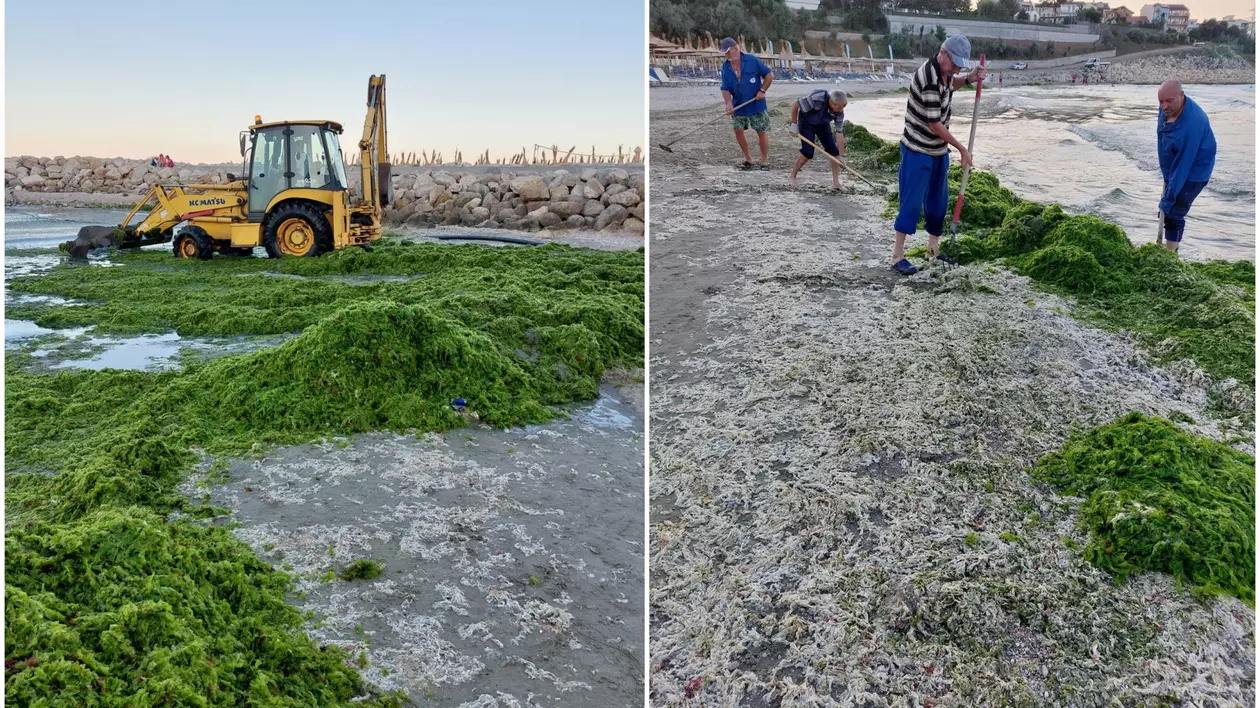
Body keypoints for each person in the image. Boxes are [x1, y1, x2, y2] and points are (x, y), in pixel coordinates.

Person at [890, 34, 986, 275]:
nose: (956, 69)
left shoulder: (946, 72)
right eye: (954, 64)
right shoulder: (928, 76)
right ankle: (897, 256)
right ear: (942, 53)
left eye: (960, 66)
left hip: (937, 150)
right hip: (917, 149)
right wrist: (962, 148)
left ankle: (932, 251)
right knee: (911, 203)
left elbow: (950, 84)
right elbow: (934, 123)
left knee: (938, 203)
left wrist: (970, 78)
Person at [1156, 79, 1216, 254]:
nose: (1164, 106)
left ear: (1181, 96)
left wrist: (1167, 200)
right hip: (1176, 165)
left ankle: (1171, 255)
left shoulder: (1192, 124)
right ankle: (1171, 249)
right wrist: (1166, 174)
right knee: (1166, 209)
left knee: (1174, 211)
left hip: (1195, 171)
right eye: (1161, 101)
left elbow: (1183, 166)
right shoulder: (1165, 109)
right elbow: (1161, 136)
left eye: (1169, 101)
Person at [719, 36, 774, 171]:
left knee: (761, 131)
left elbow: (769, 75)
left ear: (736, 48)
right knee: (738, 131)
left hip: (756, 103)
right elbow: (725, 88)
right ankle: (748, 158)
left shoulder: (752, 60)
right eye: (724, 52)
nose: (726, 55)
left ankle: (764, 160)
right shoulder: (725, 67)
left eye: (728, 51)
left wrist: (762, 90)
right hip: (738, 105)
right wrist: (728, 104)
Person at [787, 89, 848, 189]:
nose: (841, 110)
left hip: (823, 125)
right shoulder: (817, 98)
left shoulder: (839, 113)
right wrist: (794, 124)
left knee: (834, 152)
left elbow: (839, 134)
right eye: (839, 107)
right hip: (806, 123)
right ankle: (793, 176)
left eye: (843, 107)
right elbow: (795, 105)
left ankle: (836, 183)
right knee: (807, 153)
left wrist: (841, 156)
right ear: (831, 102)